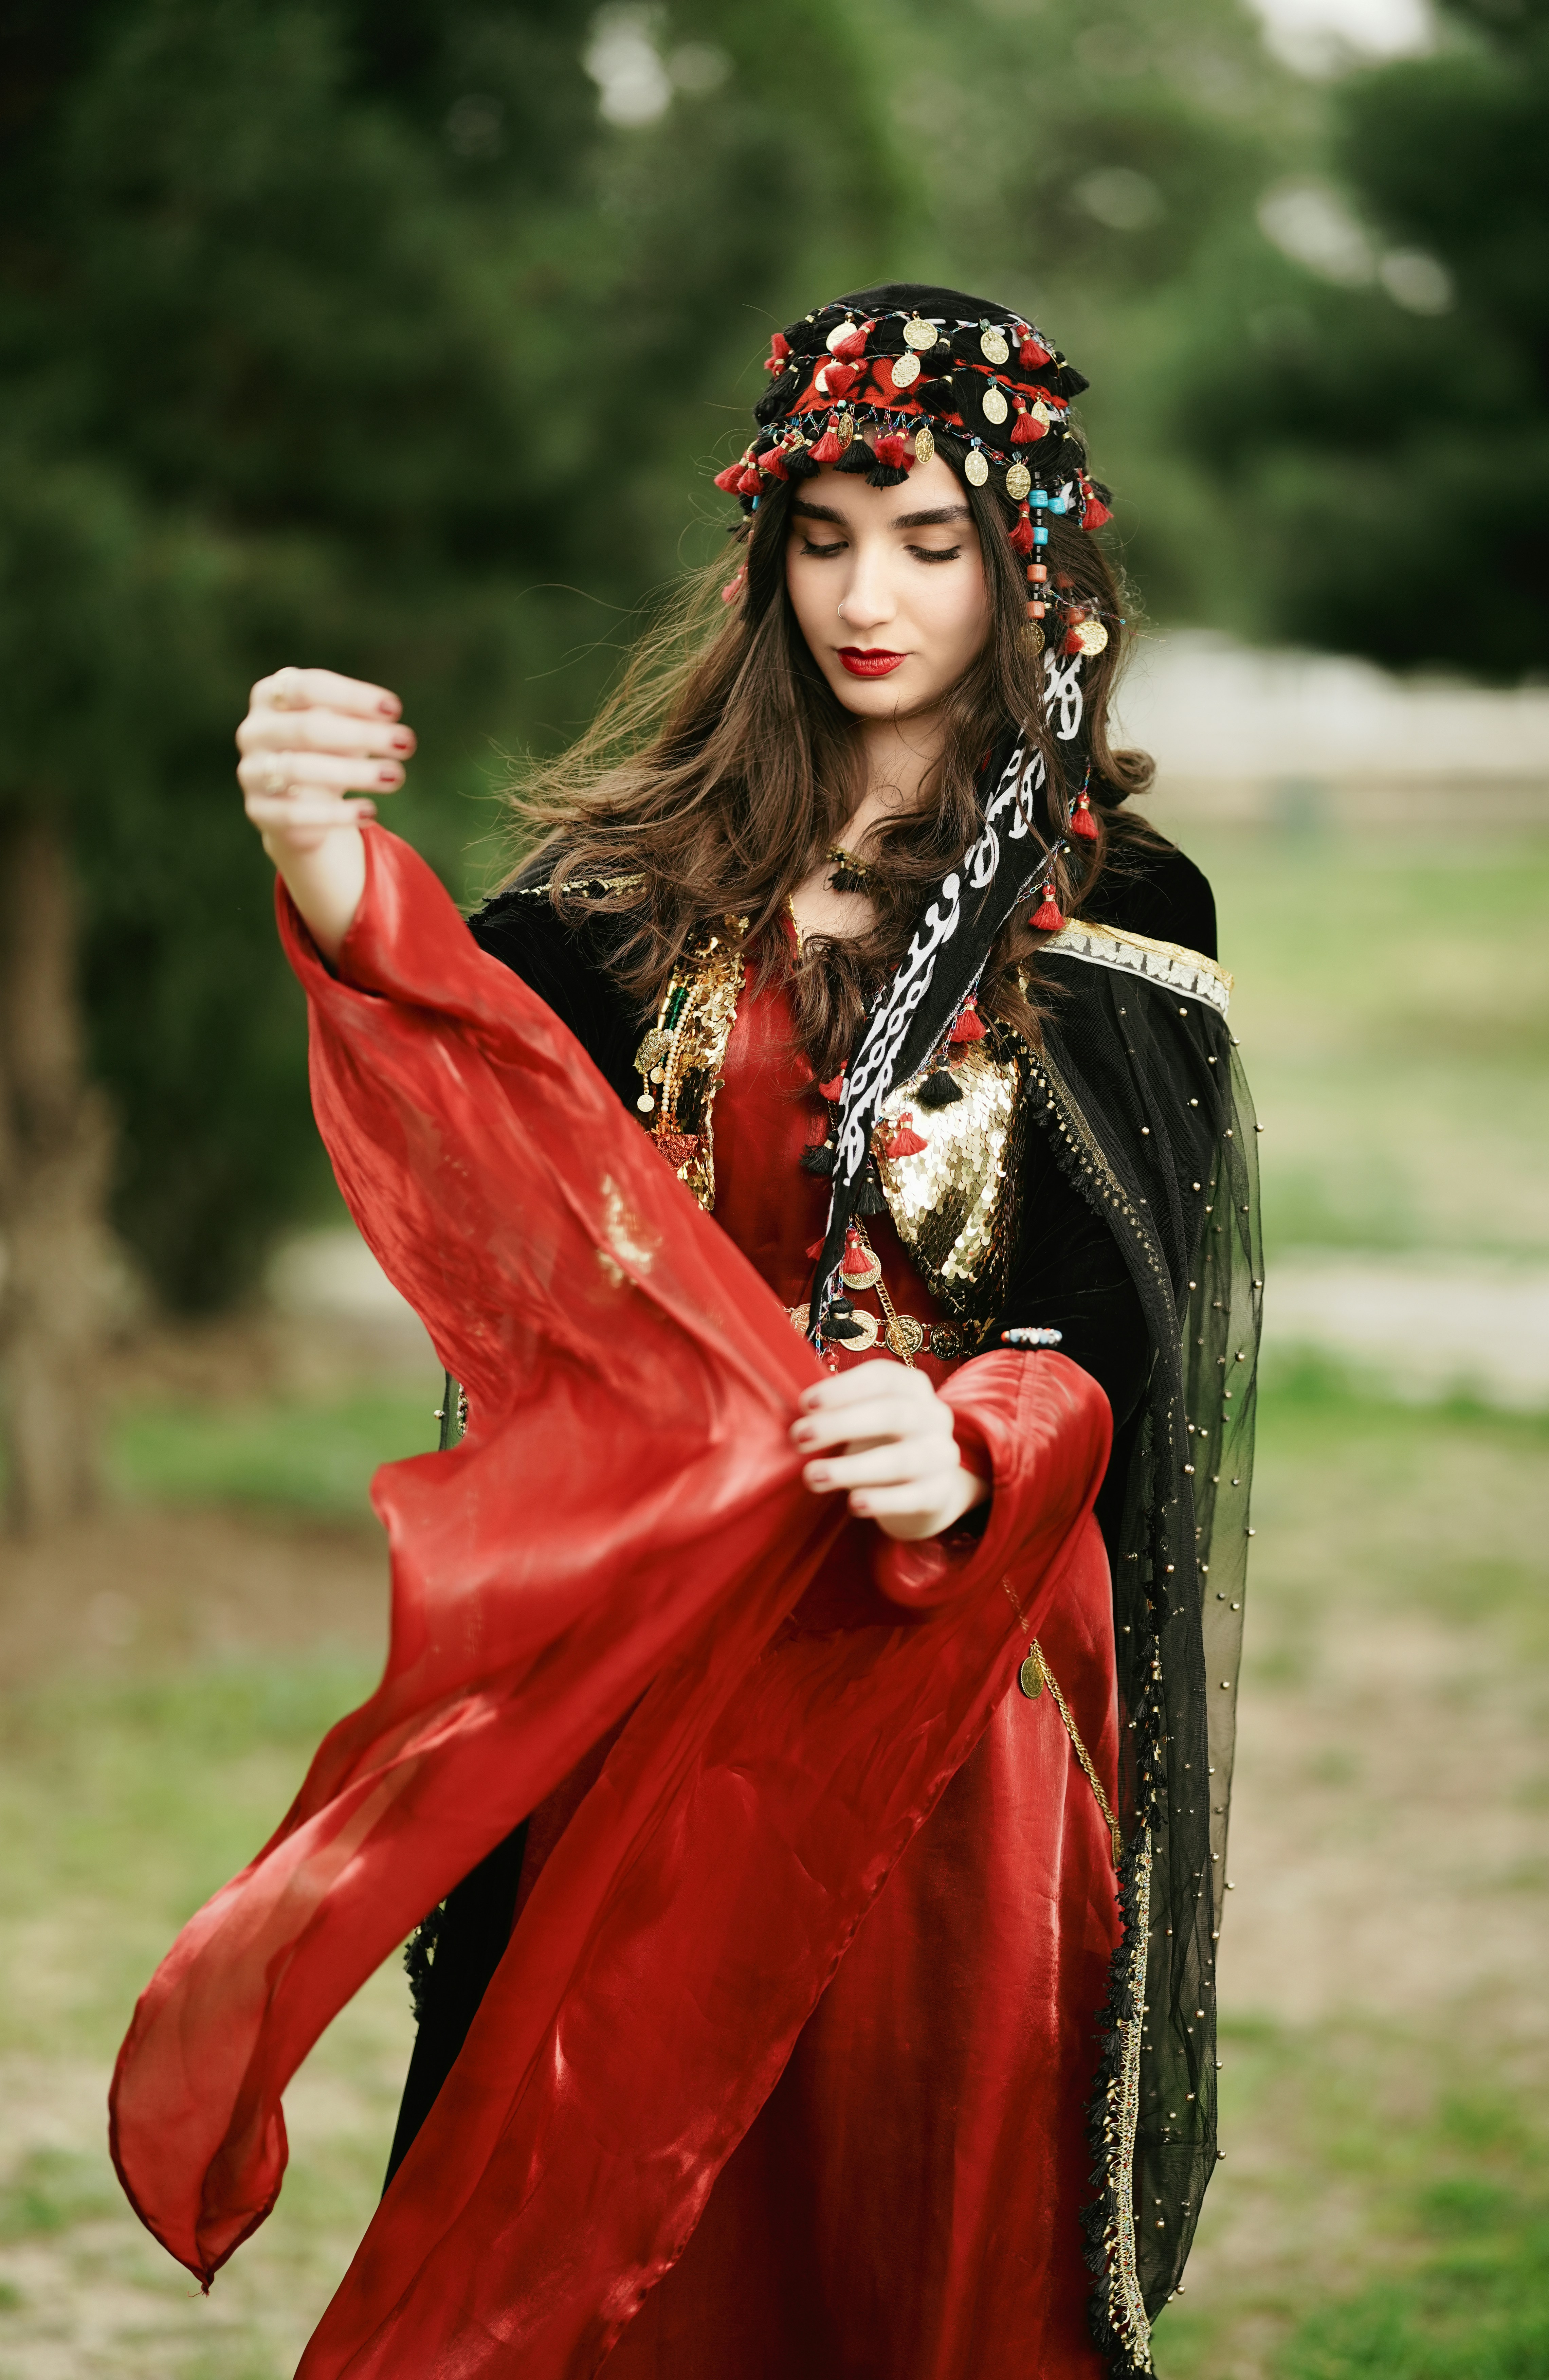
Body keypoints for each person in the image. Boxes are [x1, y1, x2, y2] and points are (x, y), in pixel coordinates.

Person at [110, 283, 1261, 2380]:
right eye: (821, 538)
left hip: (950, 1679)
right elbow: (477, 1102)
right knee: (609, 2214)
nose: (868, 596)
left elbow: (1129, 1325)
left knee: (903, 2227)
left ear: (1033, 566)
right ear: (763, 557)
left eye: (927, 540)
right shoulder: (627, 889)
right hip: (661, 1661)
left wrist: (977, 1438)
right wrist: (310, 844)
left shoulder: (1114, 902)